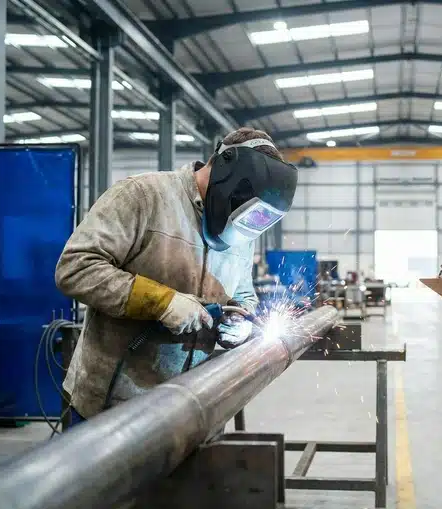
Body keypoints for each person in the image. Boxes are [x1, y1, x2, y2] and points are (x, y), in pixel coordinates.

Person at [54, 127, 298, 424]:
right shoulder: (143, 196)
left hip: (189, 402)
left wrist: (240, 322)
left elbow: (243, 293)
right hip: (110, 405)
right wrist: (162, 302)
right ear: (225, 170)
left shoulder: (243, 227)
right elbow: (76, 267)